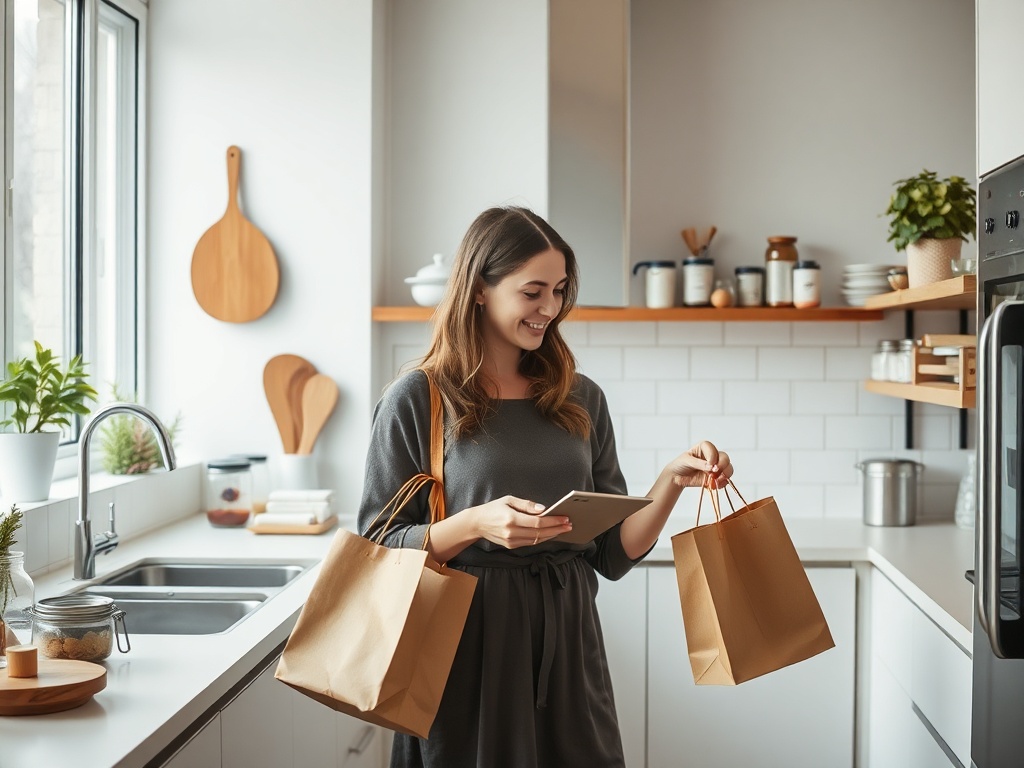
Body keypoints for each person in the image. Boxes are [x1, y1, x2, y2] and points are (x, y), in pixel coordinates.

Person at [358, 206, 733, 768]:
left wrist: (669, 483)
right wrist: (477, 523)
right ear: (480, 289)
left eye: (558, 291)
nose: (549, 309)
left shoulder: (580, 397)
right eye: (532, 291)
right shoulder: (419, 398)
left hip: (570, 640)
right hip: (465, 647)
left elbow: (611, 552)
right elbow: (377, 547)